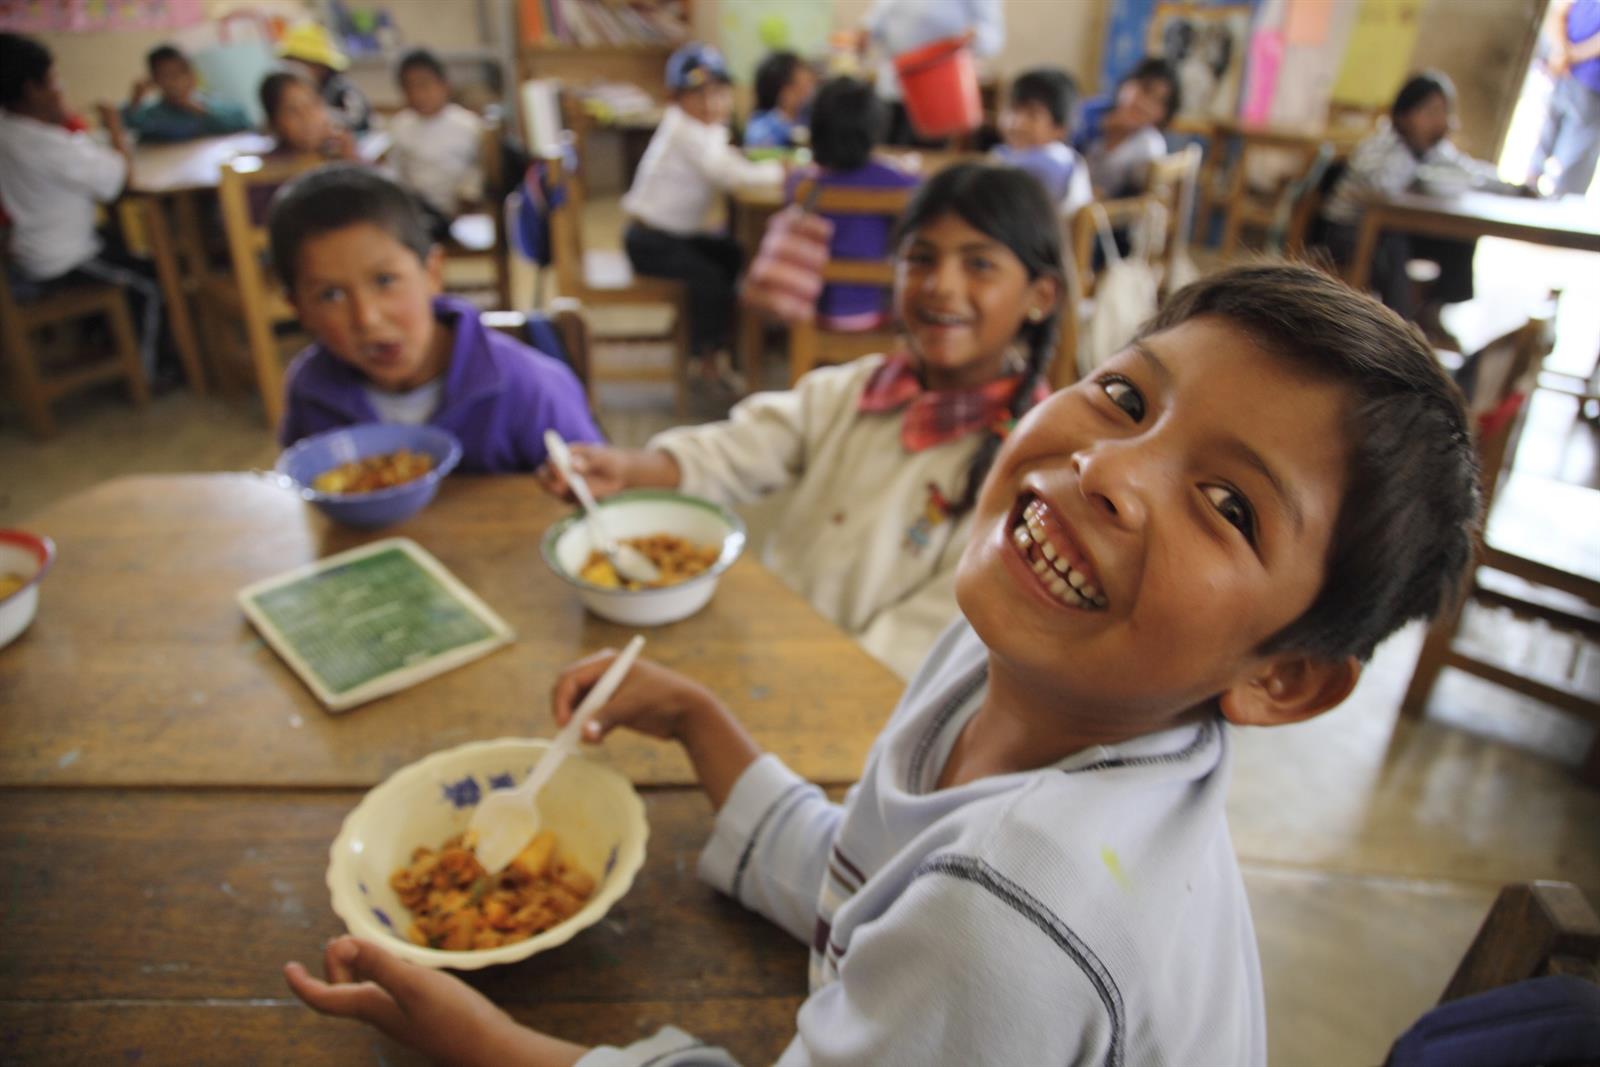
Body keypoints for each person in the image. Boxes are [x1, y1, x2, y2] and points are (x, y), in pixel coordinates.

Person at [284, 260, 1483, 1065]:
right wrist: (707, 725)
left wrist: (489, 1040)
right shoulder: (1006, 663)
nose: (1111, 469)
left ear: (1284, 677)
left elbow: (947, 924)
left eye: (1227, 502)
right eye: (1124, 395)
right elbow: (877, 897)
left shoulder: (1020, 908)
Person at [559, 162, 1064, 679]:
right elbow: (747, 445)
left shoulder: (1028, 479)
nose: (940, 285)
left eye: (979, 264)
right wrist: (632, 467)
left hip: (863, 701)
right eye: (920, 258)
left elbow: (917, 647)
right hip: (773, 641)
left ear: (1039, 297)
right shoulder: (857, 390)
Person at [270, 165, 602, 471]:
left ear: (432, 273)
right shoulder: (309, 390)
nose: (366, 318)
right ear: (298, 308)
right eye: (330, 295)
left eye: (385, 281)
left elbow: (600, 501)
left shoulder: (531, 388)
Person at [0, 32, 167, 382]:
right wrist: (115, 128)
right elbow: (116, 180)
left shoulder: (11, 131)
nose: (60, 88)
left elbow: (84, 155)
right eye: (54, 80)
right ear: (33, 89)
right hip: (63, 259)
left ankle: (116, 345)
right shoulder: (42, 144)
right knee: (151, 282)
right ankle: (149, 373)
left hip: (29, 251)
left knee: (128, 251)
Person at [621, 43, 784, 369]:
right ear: (677, 99)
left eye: (719, 93)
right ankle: (704, 358)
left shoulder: (704, 130)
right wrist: (783, 172)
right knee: (709, 278)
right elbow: (730, 175)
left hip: (669, 236)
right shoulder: (685, 130)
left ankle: (729, 341)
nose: (711, 104)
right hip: (652, 242)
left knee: (733, 254)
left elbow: (728, 163)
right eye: (698, 95)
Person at [1322, 71, 1504, 337]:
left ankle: (1433, 310)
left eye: (1443, 114)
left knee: (1459, 237)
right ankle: (1399, 326)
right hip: (1348, 228)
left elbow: (1468, 172)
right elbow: (1381, 190)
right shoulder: (1381, 146)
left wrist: (1513, 187)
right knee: (1392, 245)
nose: (1438, 122)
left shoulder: (1432, 149)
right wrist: (1413, 153)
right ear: (1404, 115)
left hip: (1396, 228)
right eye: (1430, 113)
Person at [786, 76, 917, 331]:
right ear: (874, 129)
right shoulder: (895, 181)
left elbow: (791, 184)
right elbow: (924, 188)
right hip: (874, 310)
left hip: (812, 306)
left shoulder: (802, 183)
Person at [861, 0, 1003, 146]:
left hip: (939, 90)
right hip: (893, 86)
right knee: (885, 151)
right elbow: (877, 21)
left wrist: (976, 36)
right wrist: (864, 34)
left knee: (927, 154)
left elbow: (991, 36)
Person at [386, 48, 486, 242]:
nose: (417, 94)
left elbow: (477, 170)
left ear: (444, 85)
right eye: (409, 87)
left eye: (423, 85)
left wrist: (465, 200)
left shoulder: (468, 125)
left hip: (456, 207)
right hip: (414, 207)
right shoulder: (399, 126)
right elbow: (396, 171)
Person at [990, 67, 1092, 217]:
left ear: (1060, 128)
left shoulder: (1049, 163)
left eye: (1032, 115)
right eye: (1012, 110)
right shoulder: (1015, 153)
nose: (1017, 122)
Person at [1527, 0, 1600, 197]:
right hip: (1570, 73)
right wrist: (1562, 52)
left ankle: (1558, 201)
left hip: (1584, 76)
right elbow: (1557, 12)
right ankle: (1535, 190)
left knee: (1572, 149)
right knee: (1553, 137)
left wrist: (1564, 55)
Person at [1084, 57, 1178, 197]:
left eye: (1158, 101)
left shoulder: (1150, 145)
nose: (1146, 105)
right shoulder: (1092, 112)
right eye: (1145, 90)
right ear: (1128, 84)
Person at [121, 43, 251, 144]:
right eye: (166, 75)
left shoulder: (210, 103)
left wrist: (197, 109)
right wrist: (135, 100)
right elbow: (128, 126)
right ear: (154, 80)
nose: (175, 82)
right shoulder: (154, 115)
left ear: (192, 75)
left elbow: (241, 122)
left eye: (180, 73)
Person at [278, 21, 371, 134]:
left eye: (300, 63)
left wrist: (322, 117)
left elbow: (358, 120)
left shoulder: (342, 89)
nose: (294, 70)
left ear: (321, 66)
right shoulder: (292, 92)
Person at [259, 70, 357, 162]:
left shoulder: (339, 152)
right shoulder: (270, 169)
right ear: (274, 122)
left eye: (313, 104)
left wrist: (350, 159)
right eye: (292, 110)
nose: (307, 117)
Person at [744, 51, 816, 151]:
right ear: (785, 92)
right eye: (804, 87)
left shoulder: (805, 119)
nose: (810, 92)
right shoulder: (762, 127)